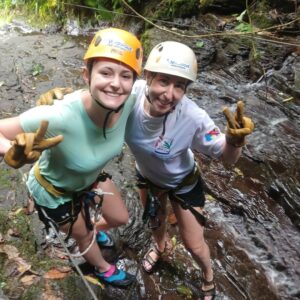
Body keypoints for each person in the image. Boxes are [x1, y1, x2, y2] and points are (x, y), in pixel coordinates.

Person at [35, 41, 254, 299]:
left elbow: (226, 157)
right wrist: (56, 107)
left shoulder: (192, 117)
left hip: (183, 182)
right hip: (147, 179)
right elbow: (96, 97)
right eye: (163, 81)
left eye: (180, 86)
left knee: (194, 243)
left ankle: (208, 274)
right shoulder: (131, 96)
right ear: (148, 76)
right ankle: (159, 248)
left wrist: (235, 141)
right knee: (155, 223)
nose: (169, 94)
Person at [0, 27, 143, 287]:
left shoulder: (131, 100)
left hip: (87, 178)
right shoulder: (59, 116)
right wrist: (11, 149)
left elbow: (163, 91)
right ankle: (102, 267)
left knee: (120, 218)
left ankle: (88, 229)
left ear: (134, 82)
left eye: (126, 75)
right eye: (106, 72)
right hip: (54, 191)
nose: (116, 83)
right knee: (85, 237)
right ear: (86, 75)